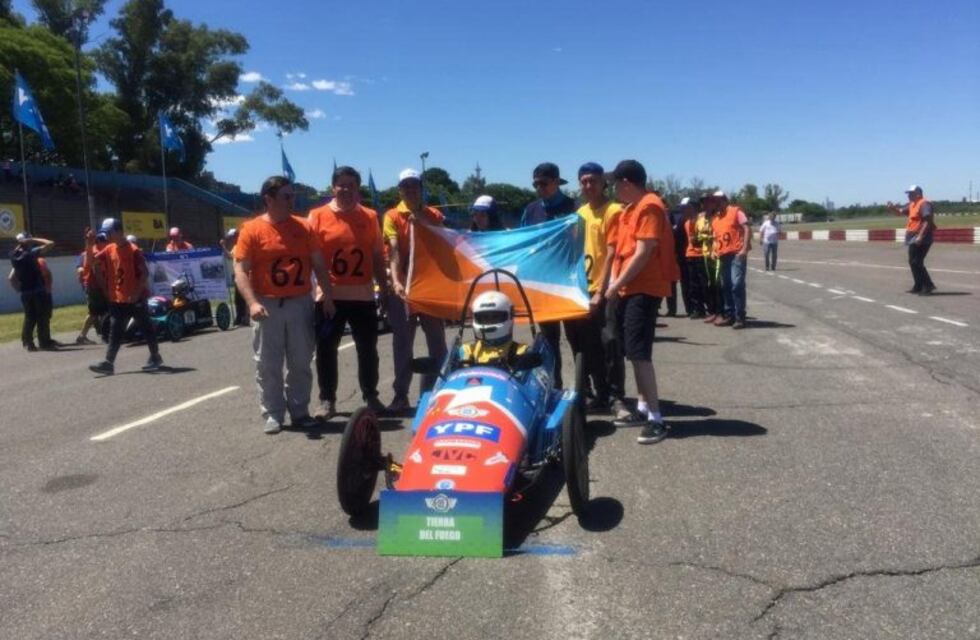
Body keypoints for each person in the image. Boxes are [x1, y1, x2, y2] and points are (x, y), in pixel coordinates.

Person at [234, 176, 335, 434]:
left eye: (293, 195)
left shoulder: (304, 227)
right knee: (268, 363)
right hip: (266, 304)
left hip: (300, 301)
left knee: (301, 361)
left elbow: (319, 265)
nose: (292, 201)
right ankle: (273, 413)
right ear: (269, 199)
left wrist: (328, 297)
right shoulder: (251, 229)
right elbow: (241, 271)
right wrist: (252, 303)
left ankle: (300, 411)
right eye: (286, 196)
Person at [605, 160, 678, 444]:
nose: (613, 188)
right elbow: (622, 252)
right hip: (629, 289)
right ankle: (643, 407)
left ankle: (657, 419)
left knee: (640, 354)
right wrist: (617, 284)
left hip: (643, 289)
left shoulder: (649, 206)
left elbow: (644, 252)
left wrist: (616, 284)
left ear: (626, 183)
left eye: (615, 183)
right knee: (633, 350)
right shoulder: (631, 210)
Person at [308, 166, 388, 418]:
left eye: (351, 185)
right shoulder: (317, 215)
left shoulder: (370, 216)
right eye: (341, 185)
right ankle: (327, 399)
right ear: (333, 187)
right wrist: (326, 294)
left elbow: (376, 256)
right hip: (330, 296)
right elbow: (313, 257)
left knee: (367, 347)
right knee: (326, 347)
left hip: (363, 295)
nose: (346, 190)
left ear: (358, 189)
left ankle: (371, 394)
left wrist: (383, 288)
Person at [383, 168, 448, 413]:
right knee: (402, 343)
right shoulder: (391, 215)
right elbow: (394, 249)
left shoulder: (434, 214)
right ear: (400, 190)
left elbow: (444, 241)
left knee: (437, 343)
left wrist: (422, 220)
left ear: (421, 189)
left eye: (415, 186)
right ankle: (401, 395)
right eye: (405, 186)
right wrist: (397, 282)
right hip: (403, 290)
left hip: (430, 288)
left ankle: (438, 391)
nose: (410, 190)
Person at [566, 162, 620, 413]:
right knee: (589, 345)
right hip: (584, 289)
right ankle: (598, 392)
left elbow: (612, 253)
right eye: (584, 181)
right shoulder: (580, 213)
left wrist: (602, 290)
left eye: (593, 181)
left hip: (608, 289)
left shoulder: (614, 210)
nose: (588, 185)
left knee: (609, 342)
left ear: (603, 183)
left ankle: (616, 396)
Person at [519, 162, 577, 388]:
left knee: (577, 338)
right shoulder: (531, 210)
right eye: (535, 184)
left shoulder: (574, 207)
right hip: (543, 284)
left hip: (569, 282)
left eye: (543, 183)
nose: (539, 188)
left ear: (556, 182)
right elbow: (523, 242)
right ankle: (555, 384)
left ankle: (587, 387)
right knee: (549, 340)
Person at [87, 218, 163, 374]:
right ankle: (108, 363)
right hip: (118, 298)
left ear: (119, 231)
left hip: (135, 298)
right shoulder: (109, 249)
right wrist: (89, 244)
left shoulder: (133, 250)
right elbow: (92, 262)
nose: (107, 236)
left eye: (109, 232)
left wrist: (136, 294)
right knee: (115, 330)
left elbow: (145, 273)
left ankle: (155, 356)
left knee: (145, 327)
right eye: (105, 233)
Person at [8, 232, 56, 351]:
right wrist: (33, 239)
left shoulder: (13, 256)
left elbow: (11, 277)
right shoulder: (31, 253)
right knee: (42, 317)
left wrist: (18, 289)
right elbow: (51, 244)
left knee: (29, 317)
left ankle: (28, 342)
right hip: (38, 289)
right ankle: (44, 342)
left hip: (25, 291)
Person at [709, 191, 750, 329]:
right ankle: (730, 315)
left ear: (725, 200)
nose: (716, 203)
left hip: (736, 254)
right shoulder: (715, 220)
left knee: (736, 284)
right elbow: (716, 238)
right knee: (725, 285)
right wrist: (714, 250)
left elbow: (746, 227)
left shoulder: (736, 212)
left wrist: (744, 249)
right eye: (714, 201)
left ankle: (740, 316)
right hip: (723, 256)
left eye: (719, 200)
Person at [458, 291, 528, 368]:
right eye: (484, 318)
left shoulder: (521, 351)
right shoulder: (467, 350)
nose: (489, 322)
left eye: (495, 317)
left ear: (510, 316)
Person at [887, 185, 936, 294]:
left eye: (910, 193)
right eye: (908, 193)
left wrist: (920, 236)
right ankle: (918, 285)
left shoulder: (924, 204)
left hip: (922, 237)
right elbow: (899, 212)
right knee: (912, 262)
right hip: (913, 237)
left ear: (918, 194)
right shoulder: (912, 204)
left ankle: (928, 285)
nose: (908, 195)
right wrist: (892, 209)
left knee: (917, 262)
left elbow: (927, 221)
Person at [75, 231, 109, 344]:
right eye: (104, 241)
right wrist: (104, 289)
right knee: (96, 312)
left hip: (95, 286)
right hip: (95, 286)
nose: (106, 243)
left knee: (97, 312)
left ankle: (100, 333)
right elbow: (97, 273)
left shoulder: (98, 251)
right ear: (98, 242)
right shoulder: (95, 253)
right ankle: (84, 336)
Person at [665, 197, 694, 317]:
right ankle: (672, 309)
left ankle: (691, 309)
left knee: (687, 283)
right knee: (672, 282)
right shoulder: (674, 218)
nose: (683, 209)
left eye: (685, 207)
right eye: (681, 207)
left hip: (686, 255)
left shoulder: (690, 220)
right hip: (673, 254)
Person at [682, 199, 708, 319]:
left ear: (694, 209)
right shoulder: (687, 222)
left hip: (700, 255)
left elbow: (703, 237)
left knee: (703, 284)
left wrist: (698, 239)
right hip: (690, 255)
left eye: (688, 208)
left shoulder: (700, 220)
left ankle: (708, 307)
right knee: (693, 285)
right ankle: (698, 309)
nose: (685, 211)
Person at [219, 228, 249, 326]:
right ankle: (240, 317)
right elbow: (230, 256)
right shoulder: (236, 246)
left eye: (231, 237)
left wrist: (223, 246)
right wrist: (223, 247)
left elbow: (232, 257)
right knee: (238, 299)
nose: (230, 239)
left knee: (243, 298)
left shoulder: (241, 245)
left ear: (236, 236)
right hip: (238, 276)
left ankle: (245, 318)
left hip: (244, 275)